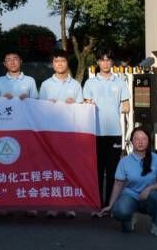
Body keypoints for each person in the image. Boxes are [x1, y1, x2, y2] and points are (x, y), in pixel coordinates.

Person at [83, 51, 131, 211]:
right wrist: (88, 104)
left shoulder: (120, 82)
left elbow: (126, 106)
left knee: (112, 172)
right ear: (98, 62)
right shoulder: (90, 83)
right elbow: (85, 104)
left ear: (112, 62)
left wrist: (118, 107)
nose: (105, 63)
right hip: (95, 133)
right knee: (96, 171)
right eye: (102, 60)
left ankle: (110, 205)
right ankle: (97, 204)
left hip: (114, 133)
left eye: (108, 60)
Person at [99, 127, 157, 237]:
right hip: (130, 196)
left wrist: (149, 188)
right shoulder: (124, 161)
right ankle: (130, 216)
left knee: (156, 196)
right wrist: (110, 205)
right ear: (132, 141)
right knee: (119, 212)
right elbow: (118, 184)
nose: (140, 142)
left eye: (144, 139)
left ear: (149, 141)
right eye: (137, 139)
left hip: (148, 196)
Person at [39, 50, 83, 217]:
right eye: (56, 61)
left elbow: (82, 109)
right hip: (51, 133)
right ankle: (53, 204)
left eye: (62, 61)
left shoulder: (76, 85)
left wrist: (75, 104)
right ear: (52, 64)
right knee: (51, 169)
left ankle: (69, 204)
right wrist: (47, 104)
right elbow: (39, 108)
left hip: (70, 132)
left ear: (67, 63)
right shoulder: (45, 85)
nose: (59, 64)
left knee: (69, 168)